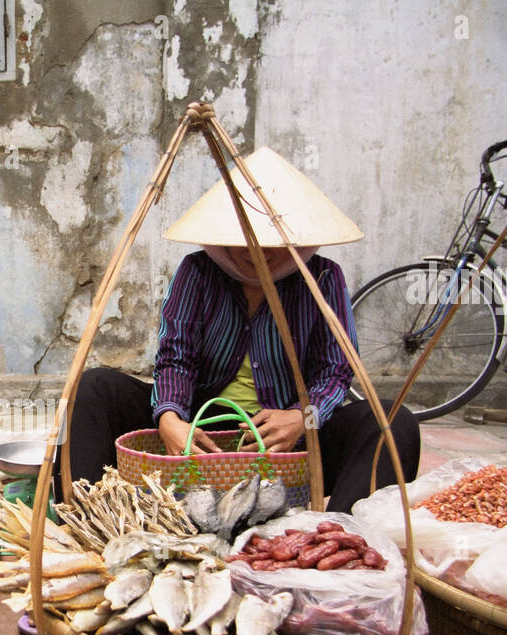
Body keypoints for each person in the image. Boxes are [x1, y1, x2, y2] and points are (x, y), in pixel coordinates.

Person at [66, 147, 419, 513]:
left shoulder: (323, 277)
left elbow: (336, 369)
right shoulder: (198, 271)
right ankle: (85, 519)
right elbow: (176, 358)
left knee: (393, 421)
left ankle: (340, 536)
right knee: (94, 387)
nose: (259, 253)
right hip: (203, 433)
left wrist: (303, 416)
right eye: (245, 240)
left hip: (288, 438)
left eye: (273, 243)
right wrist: (171, 419)